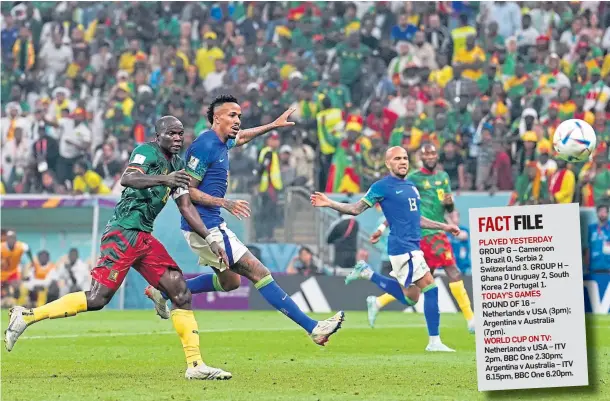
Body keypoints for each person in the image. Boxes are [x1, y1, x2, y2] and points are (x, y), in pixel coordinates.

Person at [5, 116, 234, 381]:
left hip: (144, 237)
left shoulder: (179, 166)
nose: (177, 138)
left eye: (180, 134)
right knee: (97, 299)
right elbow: (128, 179)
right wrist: (165, 179)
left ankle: (195, 365)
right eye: (171, 133)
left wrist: (210, 238)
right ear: (157, 135)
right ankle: (27, 316)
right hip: (123, 231)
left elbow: (186, 207)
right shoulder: (145, 152)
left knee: (180, 290)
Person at [144, 95, 344, 346]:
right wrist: (225, 203)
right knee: (258, 271)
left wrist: (273, 124)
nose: (238, 120)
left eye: (239, 116)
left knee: (230, 282)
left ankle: (162, 291)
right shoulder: (205, 145)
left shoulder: (221, 142)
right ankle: (312, 327)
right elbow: (188, 190)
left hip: (208, 224)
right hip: (205, 224)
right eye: (232, 115)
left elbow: (243, 137)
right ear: (217, 118)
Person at [310, 146, 459, 352]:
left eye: (405, 158)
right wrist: (329, 203)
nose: (403, 161)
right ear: (388, 163)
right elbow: (355, 209)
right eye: (397, 158)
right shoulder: (382, 186)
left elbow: (417, 219)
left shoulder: (411, 187)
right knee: (431, 288)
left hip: (412, 246)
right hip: (403, 247)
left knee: (411, 297)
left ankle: (368, 273)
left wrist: (445, 226)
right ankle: (434, 342)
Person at [360, 144, 475, 333]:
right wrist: (381, 227)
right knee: (438, 278)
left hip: (437, 234)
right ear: (421, 158)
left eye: (433, 153)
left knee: (422, 284)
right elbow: (399, 209)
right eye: (426, 154)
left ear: (437, 156)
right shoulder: (412, 178)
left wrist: (450, 204)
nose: (430, 157)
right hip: (421, 236)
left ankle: (378, 301)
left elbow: (449, 207)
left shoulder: (443, 177)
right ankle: (470, 320)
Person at [1, 231, 34, 307]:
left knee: (17, 289)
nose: (11, 240)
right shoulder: (1, 247)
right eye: (9, 238)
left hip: (13, 271)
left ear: (15, 239)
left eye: (13, 238)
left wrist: (31, 260)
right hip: (2, 272)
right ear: (6, 239)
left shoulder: (21, 246)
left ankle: (15, 304)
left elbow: (28, 249)